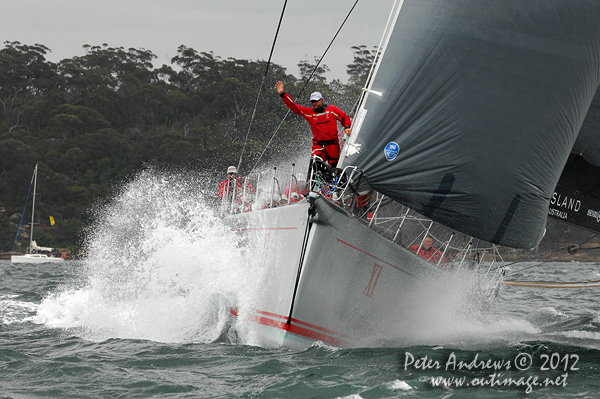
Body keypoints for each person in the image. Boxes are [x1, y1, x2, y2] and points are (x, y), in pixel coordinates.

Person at [276, 81, 352, 168]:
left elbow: (344, 117)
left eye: (316, 101)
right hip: (318, 145)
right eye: (312, 101)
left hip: (333, 145)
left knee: (334, 168)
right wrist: (283, 94)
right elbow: (294, 106)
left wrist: (347, 127)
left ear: (321, 100)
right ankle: (315, 180)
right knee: (316, 163)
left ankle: (331, 180)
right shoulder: (309, 112)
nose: (314, 103)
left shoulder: (332, 110)